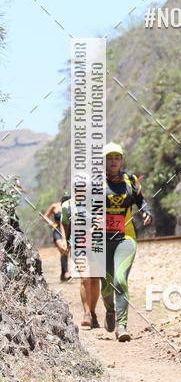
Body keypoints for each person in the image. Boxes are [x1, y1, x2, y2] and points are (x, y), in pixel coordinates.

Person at [101, 142, 152, 342]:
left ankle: (121, 326)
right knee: (106, 285)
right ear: (103, 161)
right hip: (101, 240)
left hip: (126, 237)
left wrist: (147, 211)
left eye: (117, 158)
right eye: (109, 158)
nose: (113, 161)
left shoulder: (131, 181)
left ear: (121, 160)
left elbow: (141, 200)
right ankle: (110, 310)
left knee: (120, 280)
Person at [59, 194, 100, 329]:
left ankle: (93, 313)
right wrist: (64, 239)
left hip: (96, 244)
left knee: (95, 279)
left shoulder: (96, 202)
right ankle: (86, 313)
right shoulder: (67, 206)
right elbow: (64, 222)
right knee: (85, 277)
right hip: (78, 245)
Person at [43, 198, 70, 281]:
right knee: (63, 249)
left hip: (68, 230)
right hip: (57, 229)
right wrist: (50, 222)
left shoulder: (71, 206)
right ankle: (66, 272)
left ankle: (63, 274)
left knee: (65, 251)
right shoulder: (54, 206)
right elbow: (45, 216)